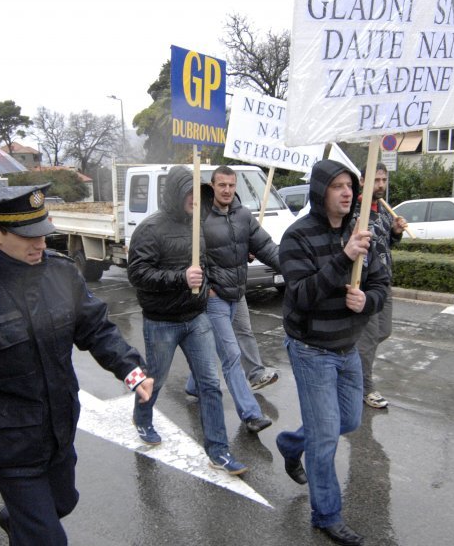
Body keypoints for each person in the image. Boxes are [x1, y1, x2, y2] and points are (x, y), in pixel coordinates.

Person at [0, 184, 152, 545]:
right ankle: (28, 523)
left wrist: (131, 370)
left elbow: (96, 328)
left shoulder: (61, 273)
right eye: (28, 238)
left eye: (43, 234)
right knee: (49, 539)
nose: (40, 244)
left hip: (59, 427)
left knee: (63, 502)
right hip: (8, 440)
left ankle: (20, 521)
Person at [275, 159, 389, 546]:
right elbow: (302, 295)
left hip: (347, 346)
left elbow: (381, 285)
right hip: (311, 349)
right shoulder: (297, 237)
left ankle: (291, 443)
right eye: (337, 185)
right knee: (325, 440)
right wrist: (343, 258)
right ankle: (326, 514)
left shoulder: (365, 232)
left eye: (350, 186)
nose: (346, 192)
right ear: (320, 191)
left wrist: (367, 301)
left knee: (349, 420)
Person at [128, 165, 248, 475]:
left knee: (210, 384)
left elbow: (204, 262)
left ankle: (218, 451)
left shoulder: (198, 226)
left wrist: (205, 285)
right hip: (161, 321)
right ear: (176, 194)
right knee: (155, 377)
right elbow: (138, 274)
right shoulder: (150, 229)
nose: (196, 199)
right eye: (190, 192)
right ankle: (142, 419)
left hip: (196, 318)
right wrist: (181, 277)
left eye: (199, 193)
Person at [183, 165, 274, 433]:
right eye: (221, 185)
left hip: (237, 293)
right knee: (231, 355)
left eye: (231, 185)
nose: (227, 190)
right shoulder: (200, 217)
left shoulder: (243, 215)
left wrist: (293, 268)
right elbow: (192, 256)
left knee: (218, 345)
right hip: (215, 297)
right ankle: (250, 414)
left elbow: (266, 246)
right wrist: (207, 287)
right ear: (212, 186)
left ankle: (193, 384)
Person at [353, 163, 407, 409]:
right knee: (370, 336)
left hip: (384, 280)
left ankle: (349, 359)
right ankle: (365, 388)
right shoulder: (355, 211)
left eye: (384, 180)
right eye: (376, 180)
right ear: (362, 181)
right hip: (365, 285)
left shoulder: (385, 211)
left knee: (383, 331)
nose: (381, 185)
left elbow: (387, 245)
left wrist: (396, 232)